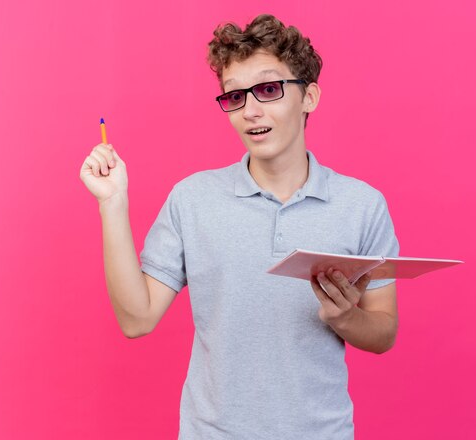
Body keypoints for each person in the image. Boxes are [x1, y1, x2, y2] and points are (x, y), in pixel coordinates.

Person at [79, 14, 399, 440]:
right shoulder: (193, 199)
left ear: (309, 97)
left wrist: (344, 318)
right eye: (234, 96)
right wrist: (112, 204)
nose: (250, 110)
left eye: (268, 89)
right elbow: (137, 320)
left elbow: (383, 333)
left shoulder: (362, 205)